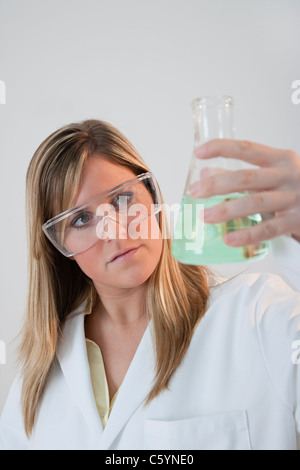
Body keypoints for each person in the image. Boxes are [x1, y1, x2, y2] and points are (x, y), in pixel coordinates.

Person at [0, 119, 299, 450]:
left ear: (153, 196)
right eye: (81, 219)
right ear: (60, 246)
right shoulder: (37, 379)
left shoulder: (257, 315)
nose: (114, 230)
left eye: (123, 199)